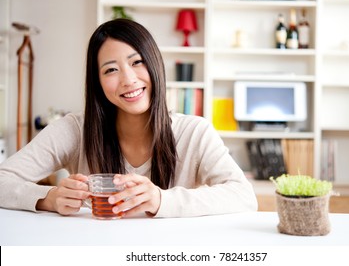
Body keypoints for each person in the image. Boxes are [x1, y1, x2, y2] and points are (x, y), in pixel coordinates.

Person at [0, 18, 258, 218]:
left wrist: (160, 200)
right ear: (98, 82)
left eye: (137, 62)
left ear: (155, 64)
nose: (128, 79)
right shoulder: (76, 130)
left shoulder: (194, 132)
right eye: (111, 69)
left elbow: (244, 196)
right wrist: (49, 198)